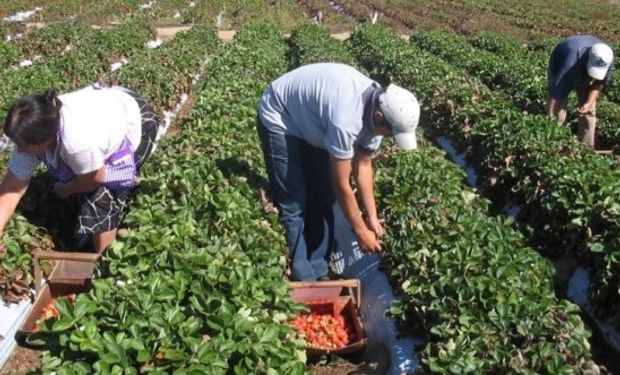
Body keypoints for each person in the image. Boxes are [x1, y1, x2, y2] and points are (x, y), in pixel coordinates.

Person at [257, 63, 420, 281]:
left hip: (314, 121)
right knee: (294, 201)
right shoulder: (346, 119)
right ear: (379, 116)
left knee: (323, 196)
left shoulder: (379, 111)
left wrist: (371, 217)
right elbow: (342, 183)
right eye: (391, 133)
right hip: (281, 115)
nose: (389, 138)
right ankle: (302, 275)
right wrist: (360, 231)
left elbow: (363, 166)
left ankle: (318, 268)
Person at [0, 83, 159, 253]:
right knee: (72, 180)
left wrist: (67, 189)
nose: (19, 150)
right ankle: (81, 234)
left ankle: (105, 263)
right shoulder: (32, 132)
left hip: (133, 119)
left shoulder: (77, 143)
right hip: (105, 115)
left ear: (44, 140)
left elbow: (93, 179)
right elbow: (12, 189)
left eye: (23, 146)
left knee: (101, 197)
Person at [547, 35, 614, 149]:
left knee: (589, 111)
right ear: (588, 59)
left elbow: (598, 83)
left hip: (581, 64)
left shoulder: (607, 58)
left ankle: (586, 148)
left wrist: (588, 103)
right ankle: (556, 144)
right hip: (562, 65)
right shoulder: (571, 61)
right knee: (558, 113)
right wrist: (549, 116)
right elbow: (555, 94)